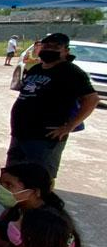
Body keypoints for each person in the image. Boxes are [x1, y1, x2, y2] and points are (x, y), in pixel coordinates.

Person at [6, 33, 98, 179]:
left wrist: (70, 126)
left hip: (44, 137)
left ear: (66, 51)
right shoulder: (37, 69)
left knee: (38, 177)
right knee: (13, 175)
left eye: (56, 47)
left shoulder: (71, 72)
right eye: (47, 46)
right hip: (20, 132)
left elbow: (91, 99)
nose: (50, 49)